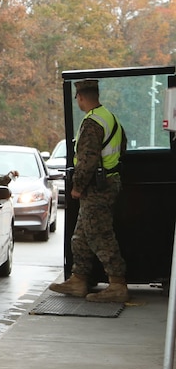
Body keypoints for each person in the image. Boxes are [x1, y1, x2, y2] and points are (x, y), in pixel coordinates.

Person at [49, 78, 128, 303]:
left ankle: (117, 284)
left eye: (77, 98)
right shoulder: (109, 117)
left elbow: (87, 160)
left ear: (81, 97)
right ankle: (78, 279)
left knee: (100, 234)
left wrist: (77, 186)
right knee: (82, 234)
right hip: (108, 182)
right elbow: (123, 146)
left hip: (97, 187)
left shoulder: (92, 122)